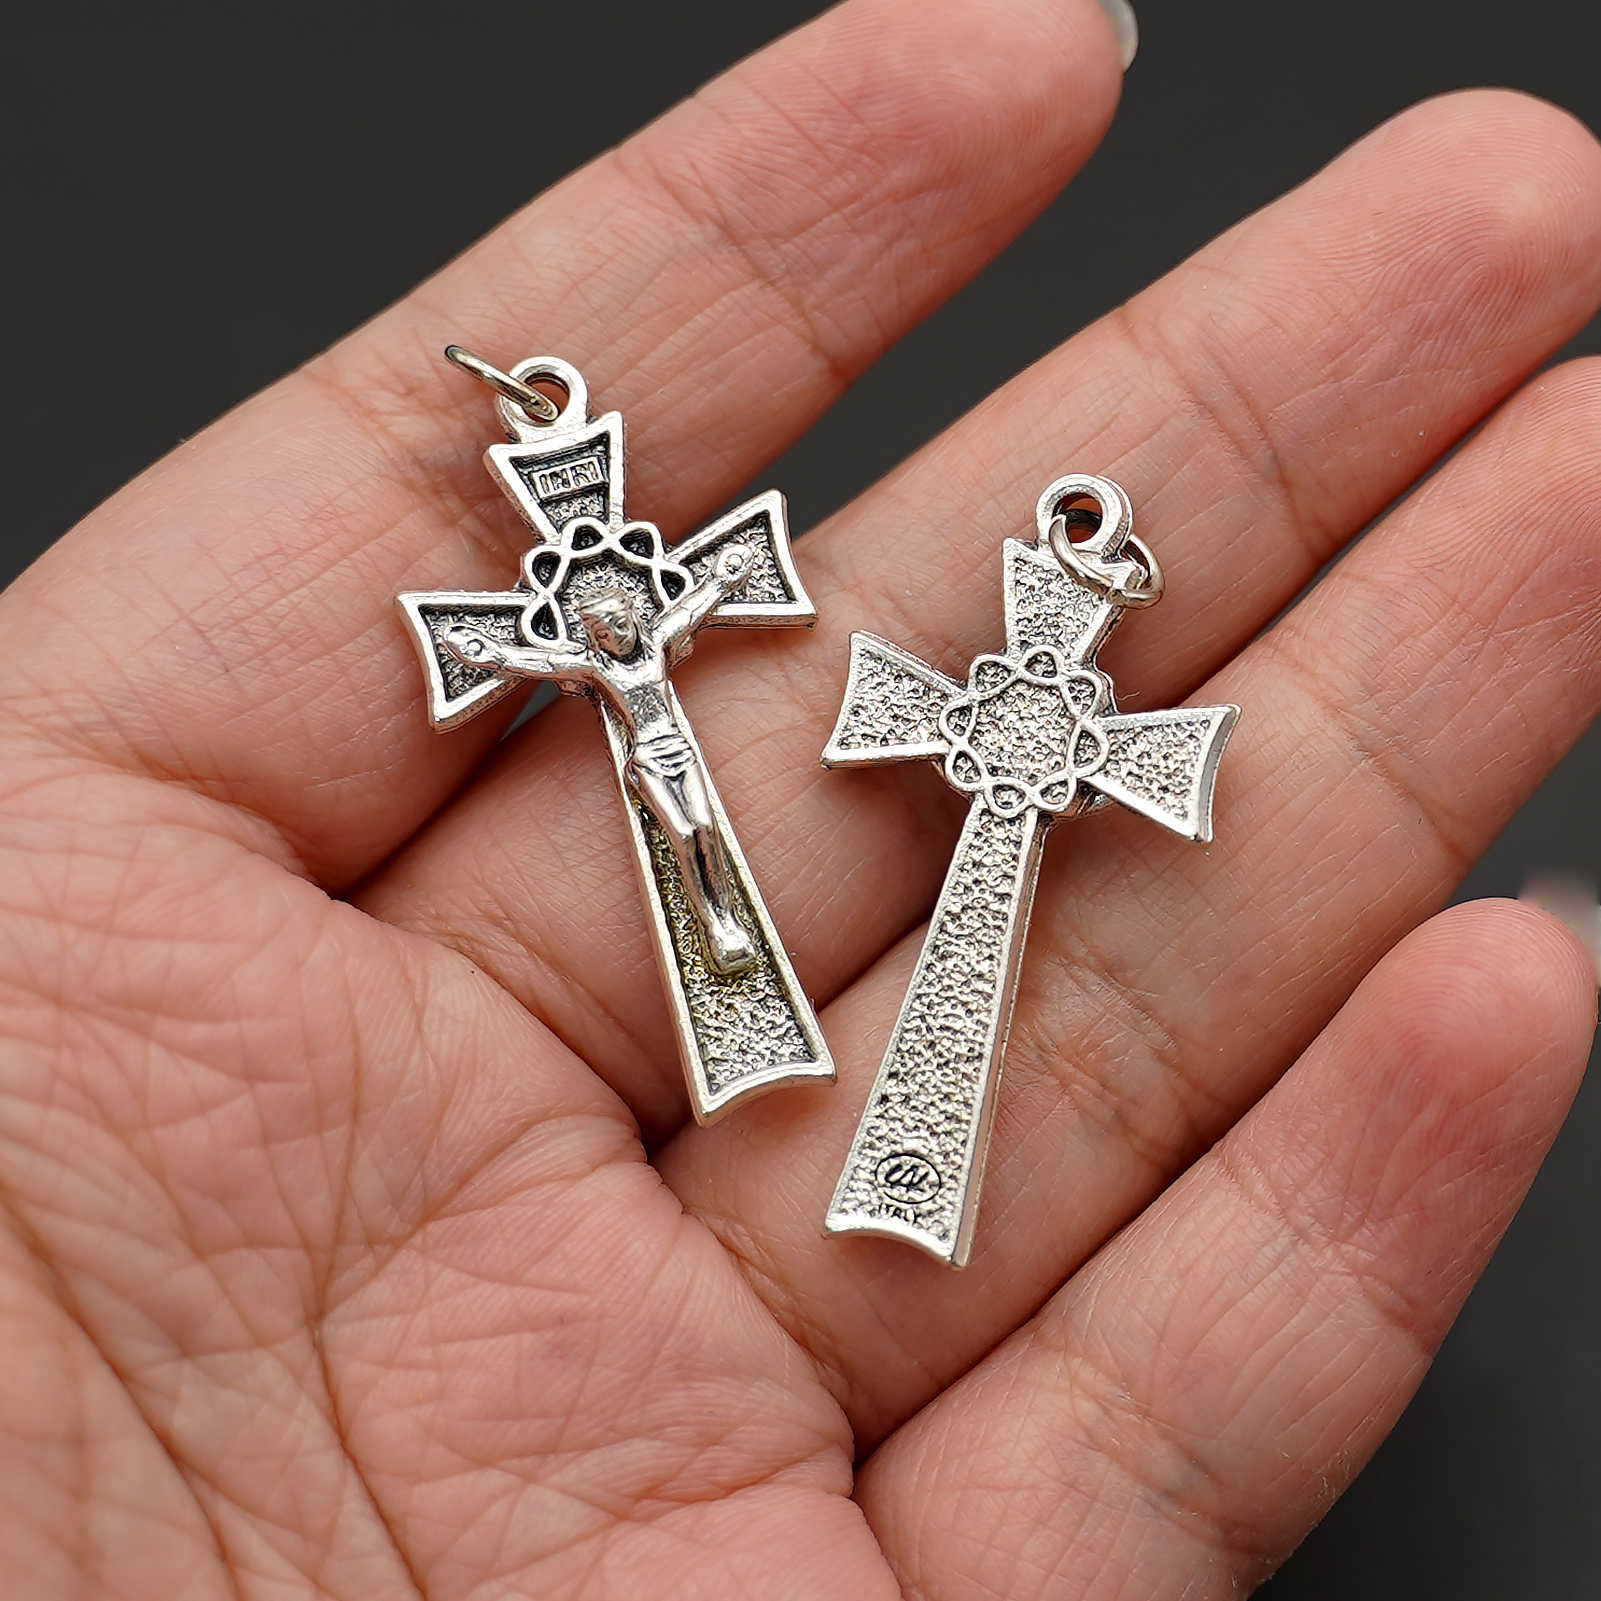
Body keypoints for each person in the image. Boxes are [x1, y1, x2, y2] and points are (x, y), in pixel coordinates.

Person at [0, 1, 1598, 1596]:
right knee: (686, 828)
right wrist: (607, 649)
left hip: (858, 776)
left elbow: (750, 590)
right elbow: (545, 635)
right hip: (664, 747)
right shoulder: (583, 614)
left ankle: (803, 1078)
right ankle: (761, 1046)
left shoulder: (768, 621)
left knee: (734, 848)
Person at [444, 541, 760, 975]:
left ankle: (729, 919)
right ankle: (714, 927)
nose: (617, 635)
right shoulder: (596, 668)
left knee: (706, 830)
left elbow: (689, 611)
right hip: (647, 761)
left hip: (680, 753)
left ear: (634, 616)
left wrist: (722, 579)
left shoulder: (657, 646)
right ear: (595, 637)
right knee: (686, 837)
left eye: (620, 623)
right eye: (605, 632)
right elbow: (545, 662)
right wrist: (490, 652)